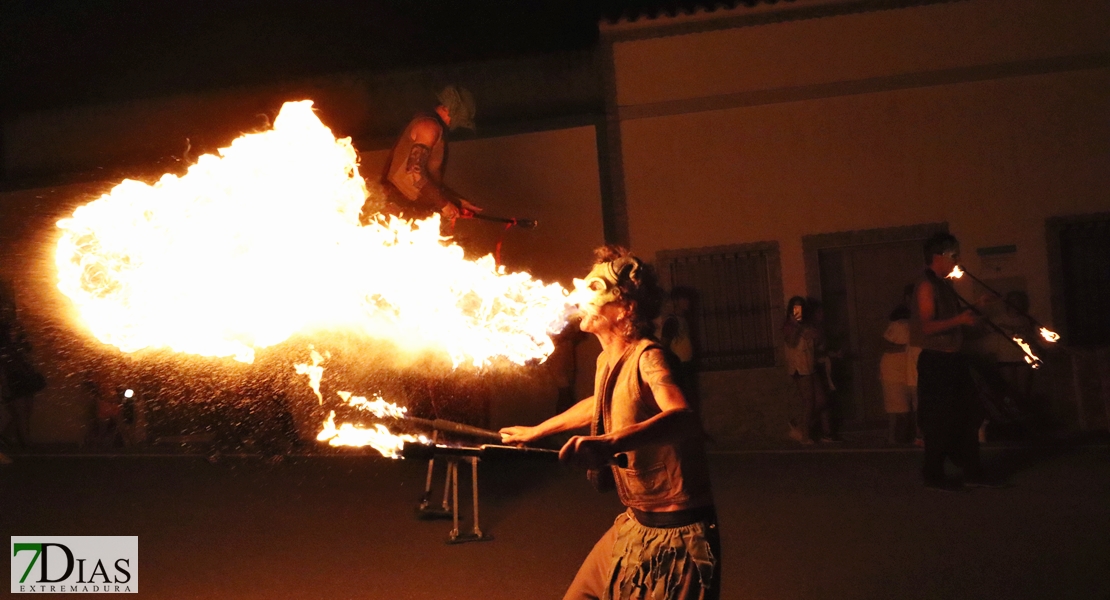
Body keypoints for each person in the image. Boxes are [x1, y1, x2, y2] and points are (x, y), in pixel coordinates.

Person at [500, 246, 720, 600]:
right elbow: (603, 402)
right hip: (634, 524)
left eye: (593, 288)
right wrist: (540, 430)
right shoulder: (607, 359)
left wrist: (609, 444)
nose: (578, 295)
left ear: (625, 307)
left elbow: (682, 418)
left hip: (677, 535)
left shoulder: (650, 358)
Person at [910, 233, 1003, 491]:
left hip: (953, 359)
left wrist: (977, 306)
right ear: (938, 256)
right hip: (936, 361)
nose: (957, 260)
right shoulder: (926, 285)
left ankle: (972, 471)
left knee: (970, 414)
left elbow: (953, 319)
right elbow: (927, 326)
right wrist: (960, 320)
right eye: (953, 255)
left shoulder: (943, 284)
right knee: (940, 420)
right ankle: (933, 474)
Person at [373, 85, 483, 225]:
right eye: (458, 119)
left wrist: (455, 200)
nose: (455, 125)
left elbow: (430, 175)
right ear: (448, 109)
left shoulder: (434, 128)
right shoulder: (429, 127)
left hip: (410, 209)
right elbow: (414, 172)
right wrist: (444, 204)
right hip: (398, 208)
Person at [782, 296, 834, 444]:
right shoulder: (789, 325)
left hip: (810, 366)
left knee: (821, 401)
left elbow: (818, 344)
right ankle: (805, 435)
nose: (798, 311)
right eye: (795, 308)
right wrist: (797, 327)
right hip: (799, 368)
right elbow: (791, 343)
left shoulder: (808, 324)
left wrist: (816, 337)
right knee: (809, 401)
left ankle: (799, 426)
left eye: (800, 307)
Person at [659, 286, 699, 412]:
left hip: (687, 364)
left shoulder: (683, 320)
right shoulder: (672, 321)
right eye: (684, 299)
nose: (688, 303)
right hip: (680, 367)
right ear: (676, 301)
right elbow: (665, 345)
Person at [879, 300, 914, 444]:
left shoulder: (898, 325)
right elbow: (886, 345)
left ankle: (895, 437)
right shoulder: (901, 325)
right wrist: (906, 348)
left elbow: (886, 344)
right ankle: (896, 437)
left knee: (898, 408)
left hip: (903, 369)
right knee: (900, 408)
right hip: (896, 369)